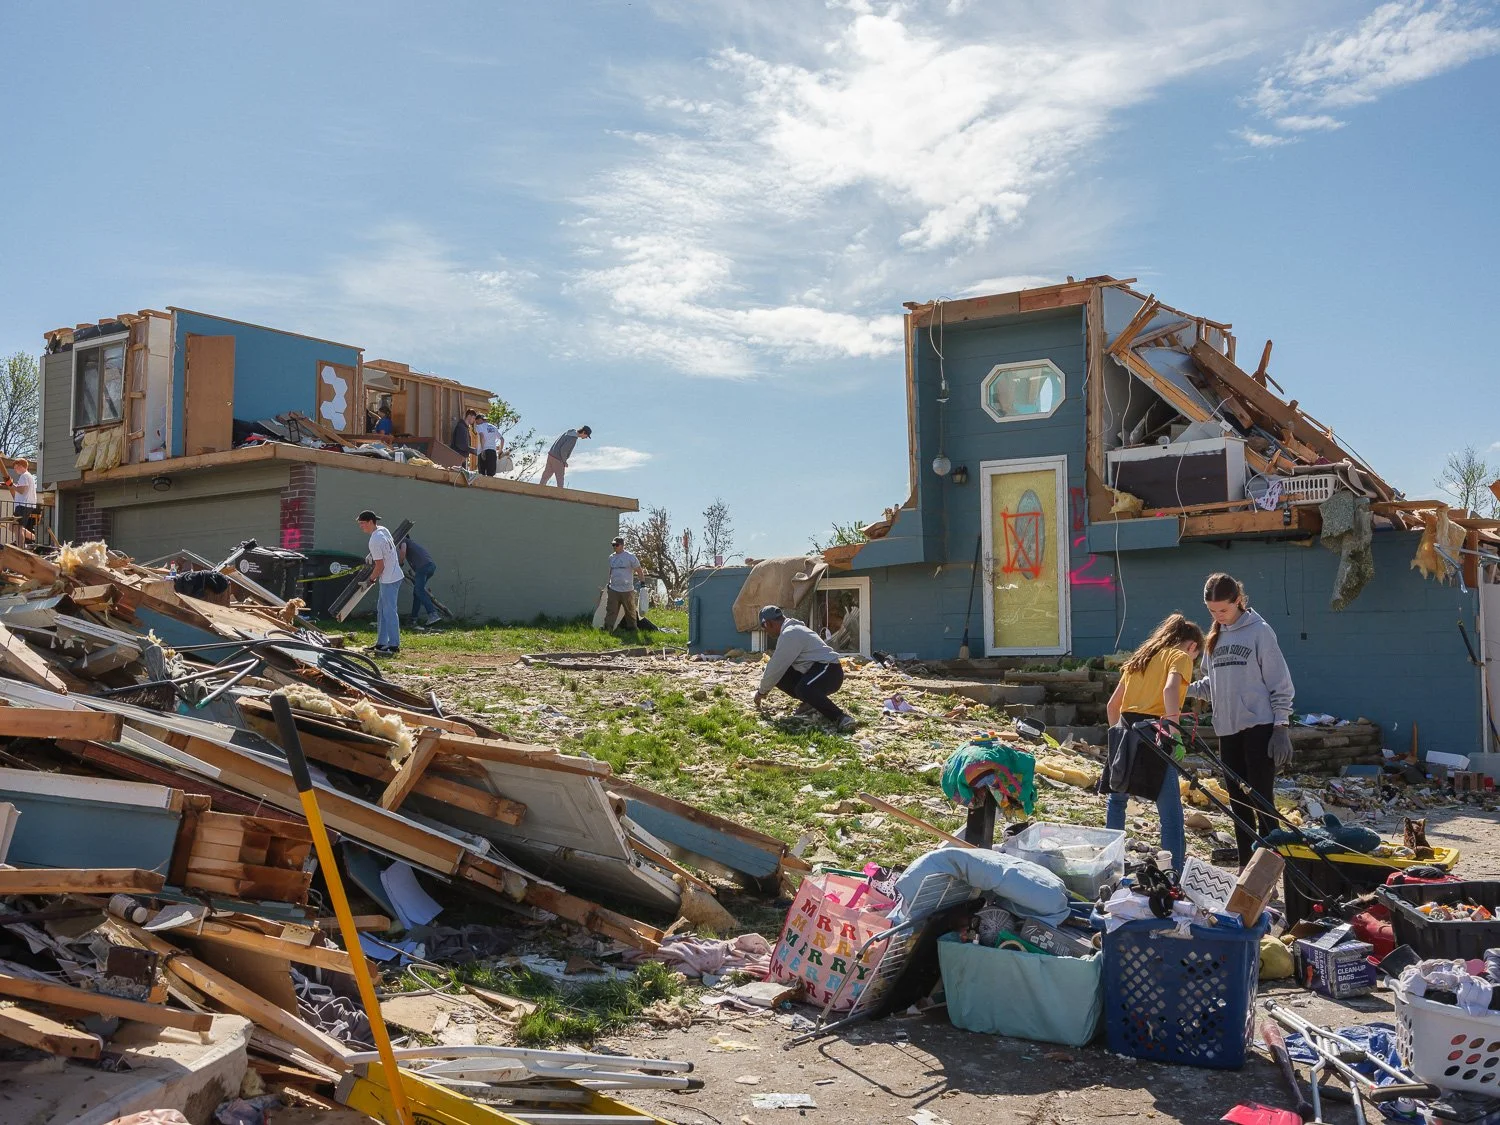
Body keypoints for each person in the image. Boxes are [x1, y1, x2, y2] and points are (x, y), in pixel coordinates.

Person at [1189, 572, 1296, 869]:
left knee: (1263, 803)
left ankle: (1272, 868)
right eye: (1212, 611)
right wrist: (1179, 687)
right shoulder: (1216, 637)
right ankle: (1246, 870)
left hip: (1259, 729)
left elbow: (1280, 683)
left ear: (1238, 601)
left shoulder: (1260, 632)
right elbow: (1212, 686)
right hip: (1228, 731)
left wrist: (1281, 727)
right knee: (1238, 806)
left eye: (1223, 609)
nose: (1218, 616)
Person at [1102, 613, 1205, 872]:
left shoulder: (1140, 660)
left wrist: (1117, 739)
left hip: (1124, 730)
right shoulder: (1180, 657)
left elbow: (1112, 706)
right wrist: (1174, 733)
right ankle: (1174, 873)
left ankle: (1111, 866)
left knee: (1117, 802)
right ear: (1193, 646)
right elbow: (1170, 691)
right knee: (1170, 815)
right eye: (1197, 656)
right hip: (1154, 732)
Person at [751, 605, 856, 732]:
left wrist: (761, 692)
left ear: (768, 623)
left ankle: (841, 717)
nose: (766, 632)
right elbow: (777, 668)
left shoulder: (790, 633)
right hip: (814, 670)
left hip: (829, 670)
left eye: (764, 628)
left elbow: (776, 666)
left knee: (803, 688)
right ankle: (811, 703)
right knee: (781, 676)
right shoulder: (790, 631)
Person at [356, 509, 405, 656]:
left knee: (389, 611)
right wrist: (373, 554)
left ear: (371, 522)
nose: (361, 526)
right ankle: (382, 643)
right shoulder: (383, 530)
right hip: (393, 575)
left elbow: (380, 566)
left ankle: (394, 645)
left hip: (389, 578)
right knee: (382, 610)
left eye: (363, 523)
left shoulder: (374, 540)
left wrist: (370, 580)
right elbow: (388, 548)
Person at [400, 536, 440, 627]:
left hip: (423, 568)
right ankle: (413, 619)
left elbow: (403, 551)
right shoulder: (413, 544)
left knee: (419, 591)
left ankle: (433, 614)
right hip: (430, 567)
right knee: (417, 592)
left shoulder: (404, 540)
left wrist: (400, 562)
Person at [604, 536, 642, 630]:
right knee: (611, 610)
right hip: (614, 588)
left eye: (616, 545)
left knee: (630, 610)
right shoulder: (611, 557)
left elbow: (639, 570)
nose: (614, 547)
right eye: (613, 545)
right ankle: (608, 627)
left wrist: (643, 583)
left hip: (627, 589)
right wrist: (608, 583)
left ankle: (632, 628)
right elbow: (610, 571)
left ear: (622, 545)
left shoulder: (630, 557)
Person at [4, 458, 38, 546]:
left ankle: (20, 547)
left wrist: (11, 484)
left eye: (16, 468)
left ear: (21, 466)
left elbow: (22, 490)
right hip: (24, 505)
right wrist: (11, 484)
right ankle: (35, 538)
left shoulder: (24, 476)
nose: (15, 470)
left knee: (17, 527)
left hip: (23, 505)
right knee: (12, 527)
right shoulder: (27, 476)